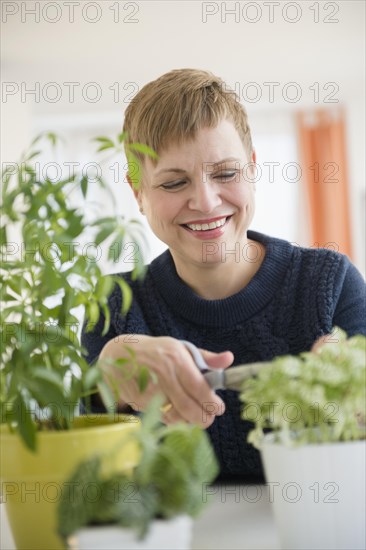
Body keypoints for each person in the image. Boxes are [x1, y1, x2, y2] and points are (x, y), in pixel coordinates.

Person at [82, 68, 366, 480]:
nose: (205, 200)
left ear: (251, 169)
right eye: (175, 182)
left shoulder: (330, 282)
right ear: (137, 192)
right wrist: (107, 380)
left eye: (226, 174)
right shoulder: (114, 306)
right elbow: (95, 476)